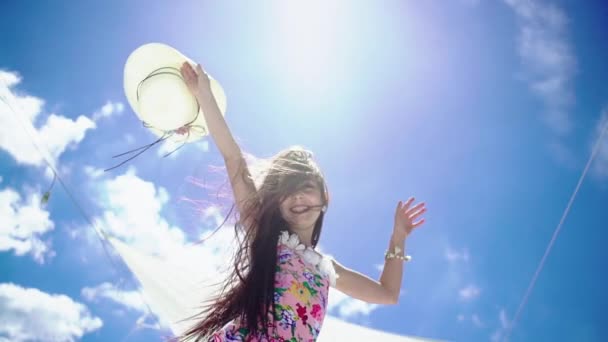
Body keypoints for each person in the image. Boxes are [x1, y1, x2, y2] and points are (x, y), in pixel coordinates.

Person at [177, 62, 427, 341]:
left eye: (306, 187)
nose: (297, 196)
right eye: (287, 190)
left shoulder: (328, 269)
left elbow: (387, 293)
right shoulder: (266, 236)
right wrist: (204, 96)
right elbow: (234, 158)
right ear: (277, 202)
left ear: (324, 197)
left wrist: (398, 236)